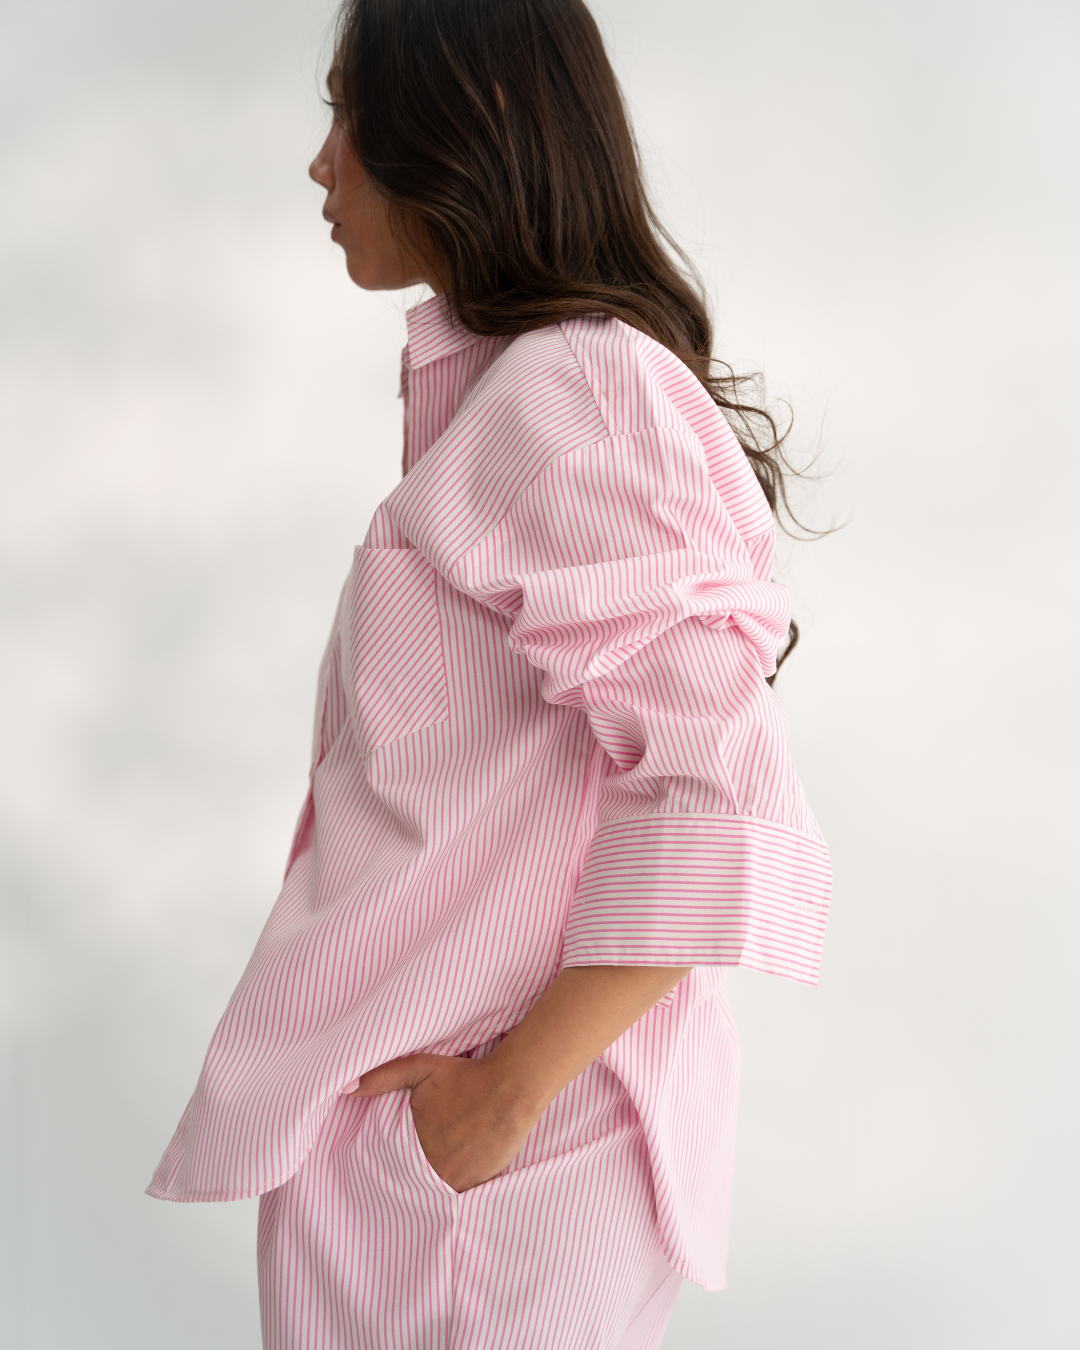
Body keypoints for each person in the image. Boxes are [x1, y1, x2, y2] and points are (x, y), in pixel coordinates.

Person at [147, 1, 831, 1346]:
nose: (321, 161)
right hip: (430, 1165)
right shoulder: (516, 392)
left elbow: (721, 793)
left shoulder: (577, 394)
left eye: (349, 114)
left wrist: (504, 1100)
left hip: (492, 1181)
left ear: (471, 120)